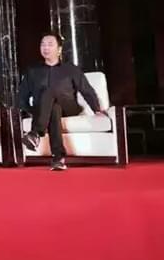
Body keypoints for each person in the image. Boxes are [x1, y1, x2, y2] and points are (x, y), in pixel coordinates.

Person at [18, 32, 108, 171]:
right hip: (44, 110)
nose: (45, 48)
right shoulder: (33, 71)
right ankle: (58, 158)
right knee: (54, 109)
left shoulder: (71, 69)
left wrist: (97, 109)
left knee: (49, 91)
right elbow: (22, 97)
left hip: (69, 107)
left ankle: (36, 133)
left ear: (59, 49)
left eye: (50, 44)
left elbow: (86, 90)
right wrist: (29, 111)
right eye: (43, 44)